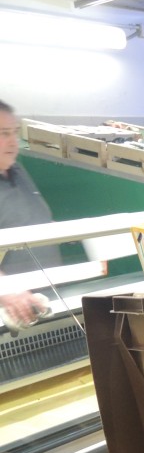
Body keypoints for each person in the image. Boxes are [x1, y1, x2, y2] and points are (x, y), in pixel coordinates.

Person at [0, 99, 55, 327]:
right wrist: (7, 290)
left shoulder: (16, 169)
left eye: (15, 132)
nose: (13, 142)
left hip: (42, 298)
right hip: (12, 311)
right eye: (3, 133)